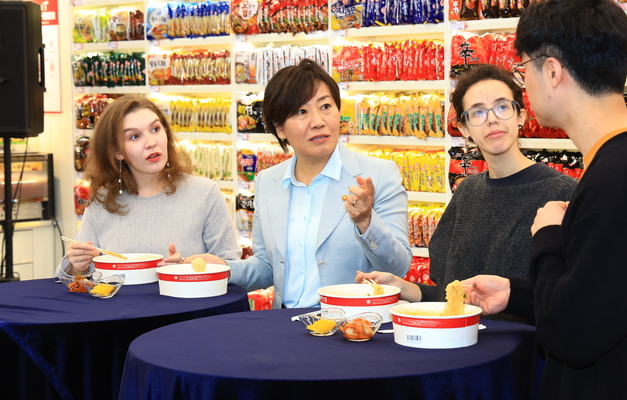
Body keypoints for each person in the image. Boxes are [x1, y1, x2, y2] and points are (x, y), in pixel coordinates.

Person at [465, 0, 627, 398]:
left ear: (552, 71)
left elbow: (572, 334)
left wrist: (548, 237)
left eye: (524, 71)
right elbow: (607, 296)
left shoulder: (622, 179)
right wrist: (518, 293)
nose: (525, 86)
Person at [356, 64, 577, 323]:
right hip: (461, 345)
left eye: (502, 107)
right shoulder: (467, 193)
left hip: (524, 355)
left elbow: (570, 300)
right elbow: (452, 297)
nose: (492, 119)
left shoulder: (561, 193)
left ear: (521, 116)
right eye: (478, 112)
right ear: (464, 129)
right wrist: (401, 286)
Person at [228, 59, 411, 309]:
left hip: (352, 326)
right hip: (285, 325)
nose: (318, 121)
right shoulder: (267, 181)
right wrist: (220, 271)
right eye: (301, 112)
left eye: (325, 106)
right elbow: (267, 267)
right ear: (279, 128)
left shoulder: (378, 175)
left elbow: (398, 267)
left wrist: (366, 222)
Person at [56, 95, 240, 278]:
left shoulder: (204, 193)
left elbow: (232, 266)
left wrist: (187, 268)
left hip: (187, 304)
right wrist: (76, 265)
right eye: (134, 136)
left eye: (155, 129)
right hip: (119, 306)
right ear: (117, 152)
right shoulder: (102, 201)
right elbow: (66, 278)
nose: (151, 143)